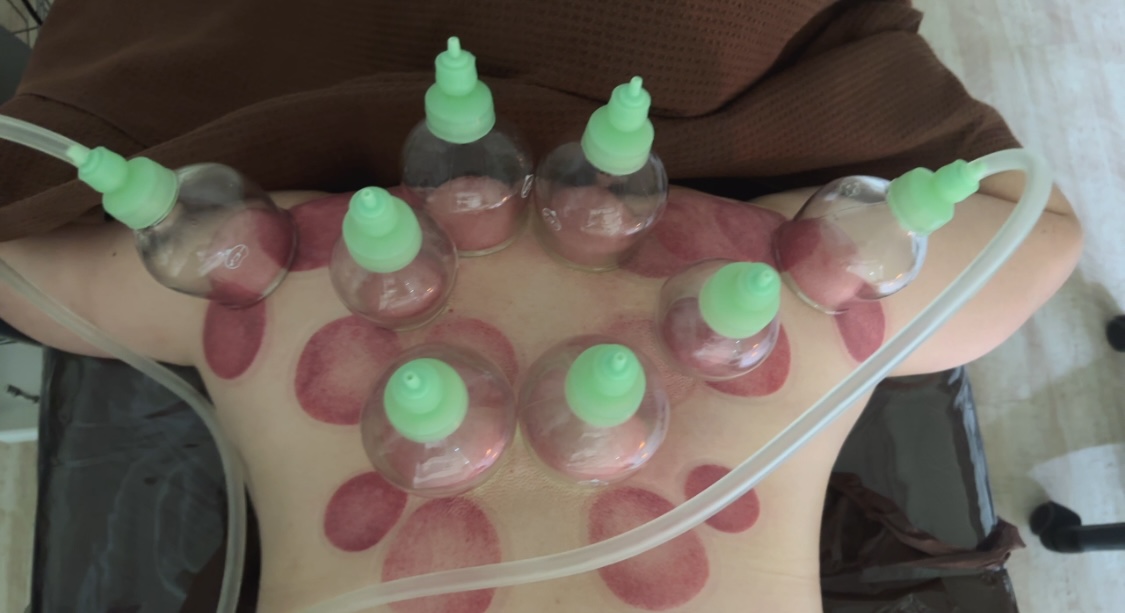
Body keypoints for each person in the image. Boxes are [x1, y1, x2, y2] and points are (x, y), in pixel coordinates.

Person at [0, 0, 1084, 611]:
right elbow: (1029, 234)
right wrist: (795, 254)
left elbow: (33, 268)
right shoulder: (806, 320)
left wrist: (253, 244)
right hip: (698, 99)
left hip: (289, 82)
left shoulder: (264, 316)